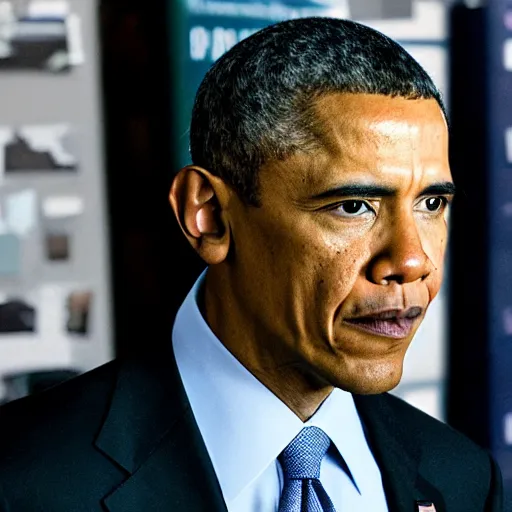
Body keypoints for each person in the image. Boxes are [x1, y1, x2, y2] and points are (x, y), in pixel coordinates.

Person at [0, 17, 503, 512]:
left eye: (432, 204)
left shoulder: (461, 478)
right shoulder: (22, 482)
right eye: (353, 206)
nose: (412, 261)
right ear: (209, 216)